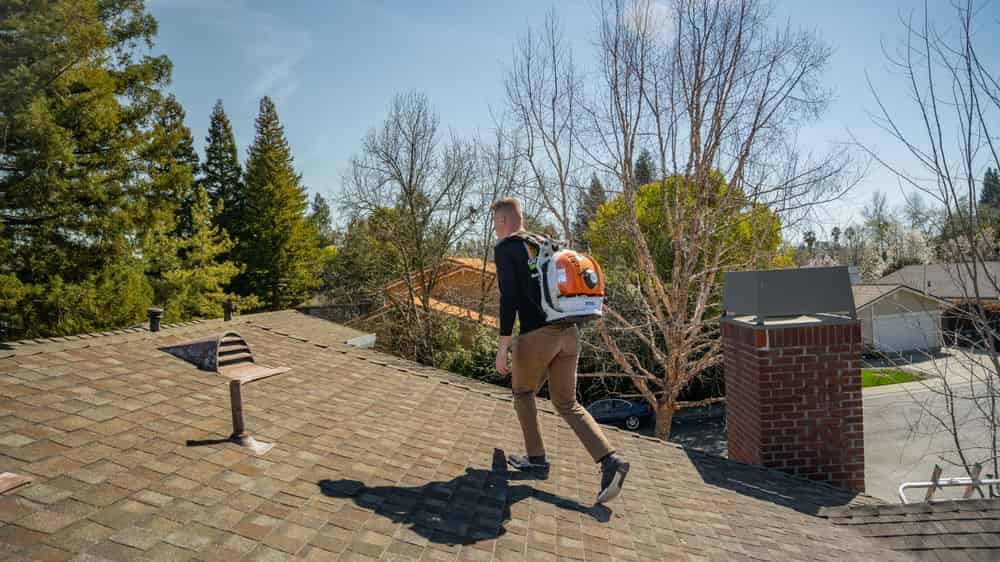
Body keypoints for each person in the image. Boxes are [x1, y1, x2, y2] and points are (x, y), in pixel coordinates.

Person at [491, 197, 630, 504]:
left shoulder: (505, 248)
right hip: (570, 333)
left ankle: (537, 460)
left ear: (502, 221)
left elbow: (508, 299)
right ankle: (611, 461)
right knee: (566, 402)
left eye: (494, 223)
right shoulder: (543, 243)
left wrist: (503, 348)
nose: (494, 229)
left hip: (537, 336)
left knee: (523, 393)